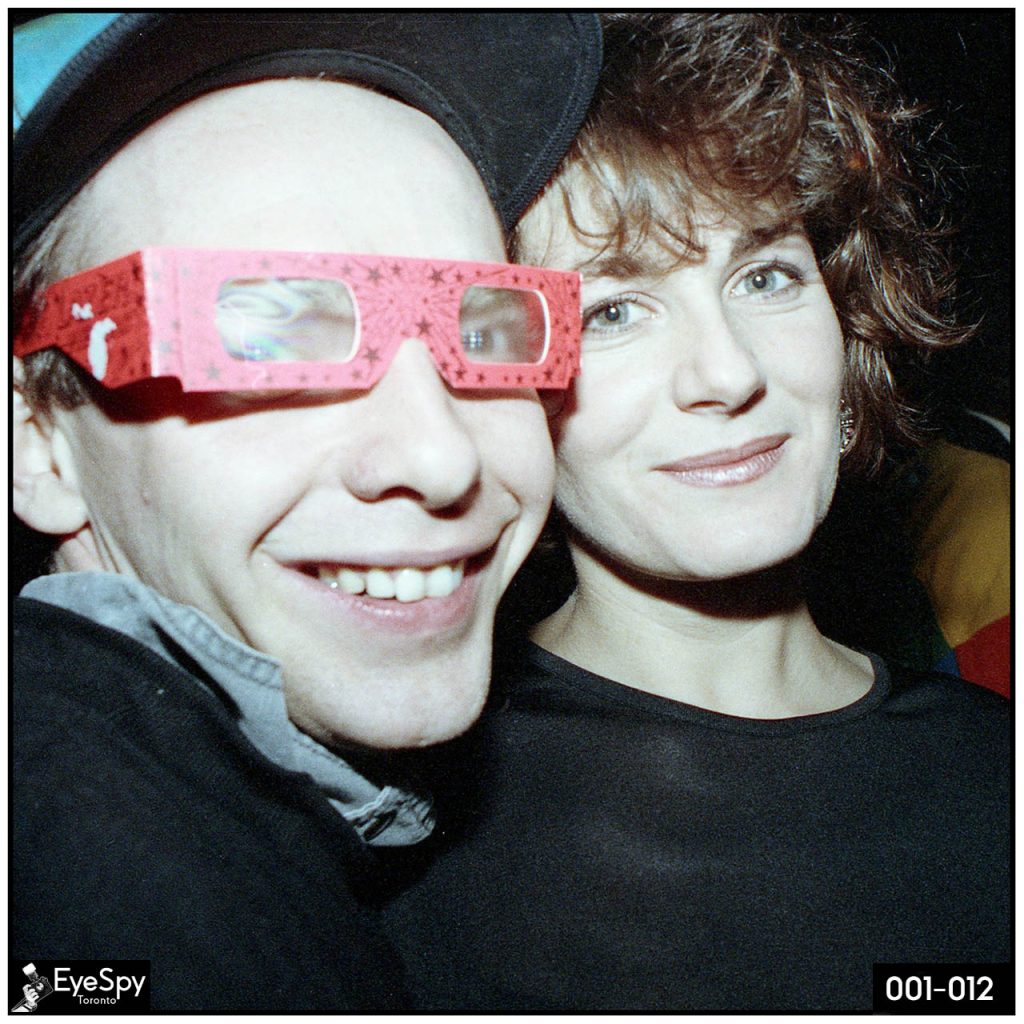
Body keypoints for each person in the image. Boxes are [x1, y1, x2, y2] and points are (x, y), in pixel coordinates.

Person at [382, 13, 1011, 1012]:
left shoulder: (997, 779)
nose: (728, 371)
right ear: (503, 385)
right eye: (613, 312)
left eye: (765, 275)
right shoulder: (390, 840)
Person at [11, 11, 599, 1012]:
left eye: (486, 323)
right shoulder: (101, 904)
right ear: (38, 441)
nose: (438, 451)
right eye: (268, 324)